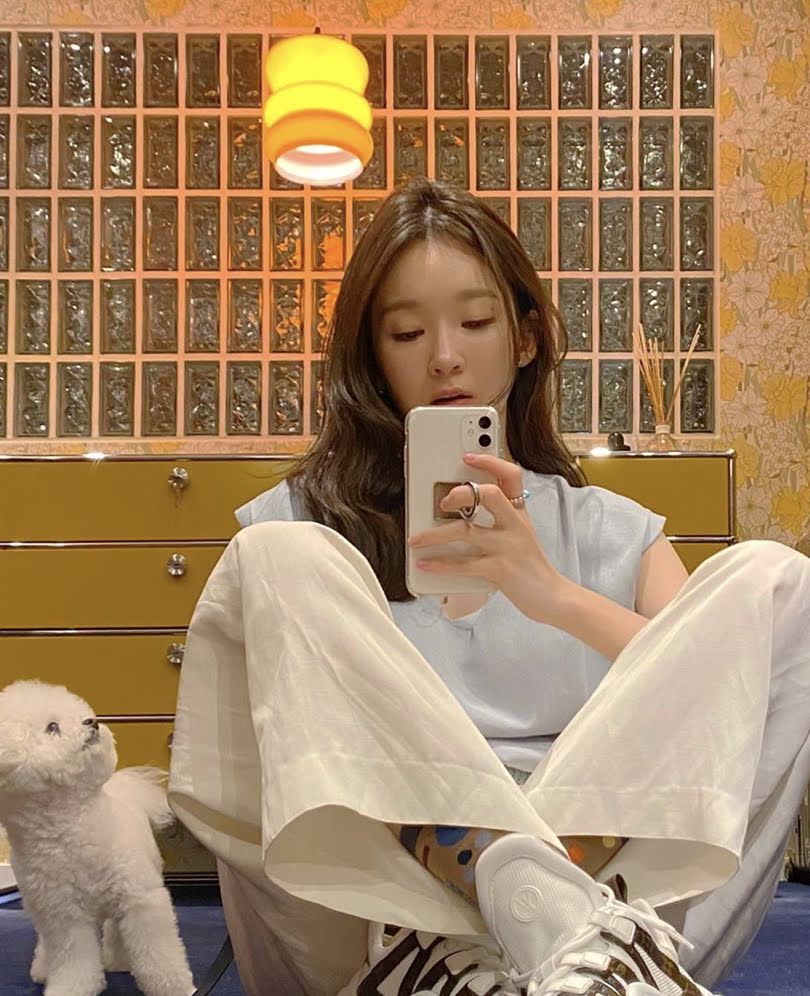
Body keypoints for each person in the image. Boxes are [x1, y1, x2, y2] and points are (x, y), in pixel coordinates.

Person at [168, 178, 810, 996]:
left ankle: (558, 922)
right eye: (407, 332)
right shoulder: (305, 530)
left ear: (527, 337)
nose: (444, 355)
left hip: (615, 890)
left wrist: (550, 594)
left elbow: (724, 705)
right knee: (272, 557)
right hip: (375, 915)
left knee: (778, 582)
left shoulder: (611, 531)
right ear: (373, 357)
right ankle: (511, 913)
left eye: (474, 322)